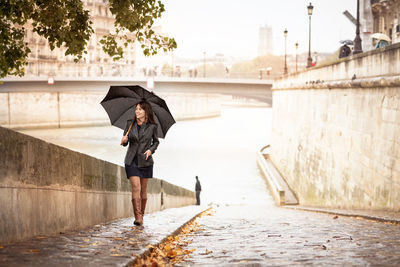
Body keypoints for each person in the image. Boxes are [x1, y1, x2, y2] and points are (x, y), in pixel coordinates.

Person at [121, 100, 159, 226]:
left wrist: (150, 150)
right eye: (136, 109)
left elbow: (156, 142)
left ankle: (141, 215)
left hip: (145, 161)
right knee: (136, 187)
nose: (137, 111)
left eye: (140, 109)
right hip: (131, 160)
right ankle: (137, 217)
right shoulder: (129, 124)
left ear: (145, 112)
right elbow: (125, 143)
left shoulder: (152, 126)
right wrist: (124, 140)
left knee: (143, 189)